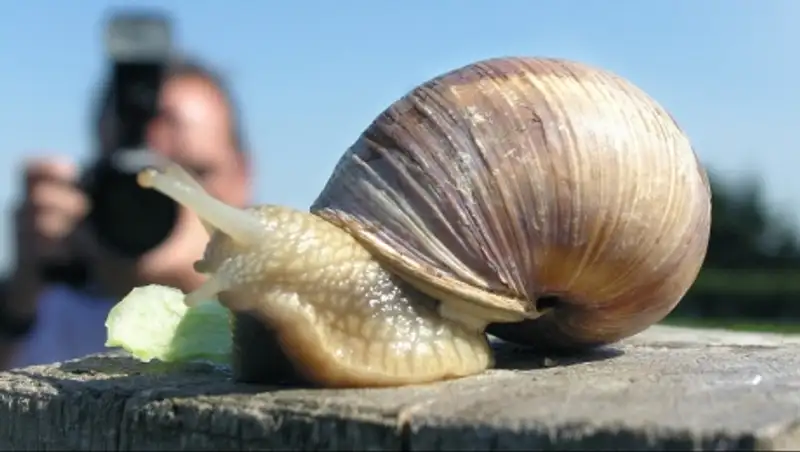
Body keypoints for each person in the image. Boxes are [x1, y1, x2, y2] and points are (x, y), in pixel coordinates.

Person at [0, 57, 253, 369]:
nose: (164, 200)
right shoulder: (46, 299)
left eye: (196, 174)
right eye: (137, 180)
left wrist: (216, 287)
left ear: (243, 175)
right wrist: (17, 298)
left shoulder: (267, 297)